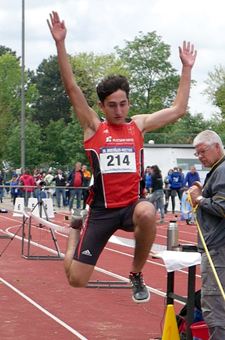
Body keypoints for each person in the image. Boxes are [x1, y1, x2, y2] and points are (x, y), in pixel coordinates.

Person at [47, 11, 196, 303]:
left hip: (130, 206)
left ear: (129, 102)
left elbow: (178, 110)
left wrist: (187, 68)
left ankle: (136, 273)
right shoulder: (93, 127)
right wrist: (60, 44)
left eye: (123, 104)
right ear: (102, 106)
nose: (119, 110)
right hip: (101, 211)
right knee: (77, 281)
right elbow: (71, 88)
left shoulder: (137, 125)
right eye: (112, 105)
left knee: (148, 211)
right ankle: (75, 232)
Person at [189, 130, 225, 339]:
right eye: (197, 153)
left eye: (203, 151)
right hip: (217, 246)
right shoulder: (217, 169)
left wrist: (200, 198)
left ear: (217, 147)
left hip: (217, 249)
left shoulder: (221, 170)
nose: (200, 156)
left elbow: (222, 207)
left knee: (214, 307)